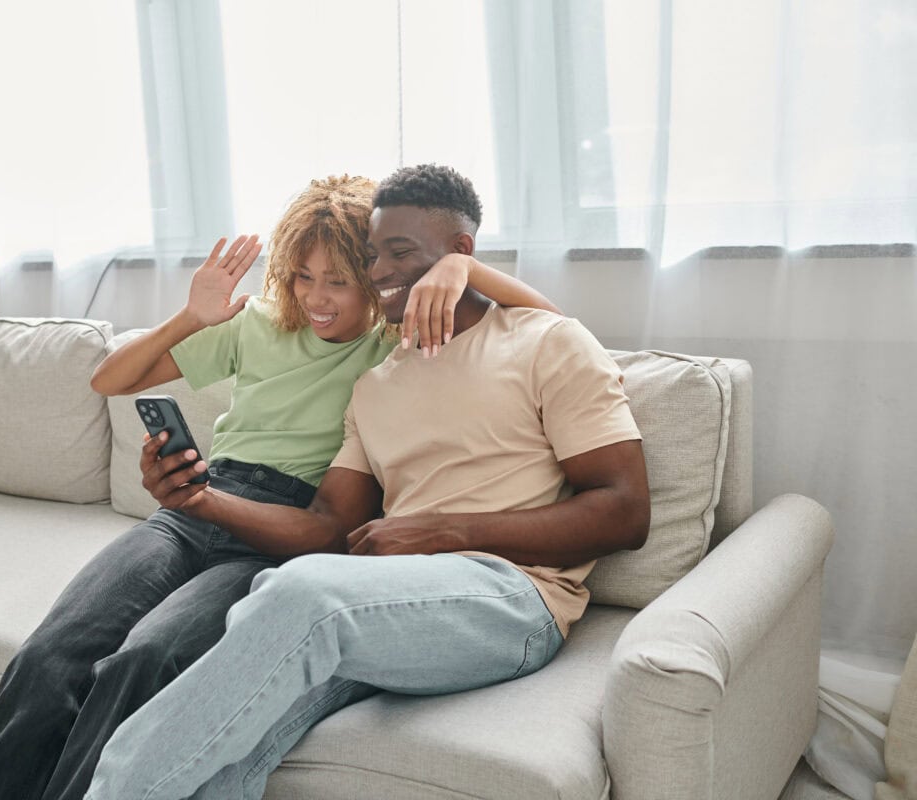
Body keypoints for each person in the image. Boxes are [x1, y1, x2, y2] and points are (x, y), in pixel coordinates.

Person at [0, 175, 560, 800]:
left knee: (147, 661)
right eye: (302, 276)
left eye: (338, 281)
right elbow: (109, 379)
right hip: (192, 508)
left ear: (373, 277)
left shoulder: (392, 343)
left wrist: (460, 269)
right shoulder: (260, 325)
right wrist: (190, 317)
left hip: (284, 533)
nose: (317, 299)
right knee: (48, 657)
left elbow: (545, 325)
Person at [83, 164, 651, 800]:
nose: (380, 271)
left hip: (515, 600)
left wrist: (442, 532)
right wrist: (199, 499)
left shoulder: (547, 341)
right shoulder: (376, 382)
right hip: (392, 599)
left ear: (459, 255)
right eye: (373, 254)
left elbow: (626, 512)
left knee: (300, 594)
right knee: (228, 745)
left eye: (401, 253)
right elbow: (327, 524)